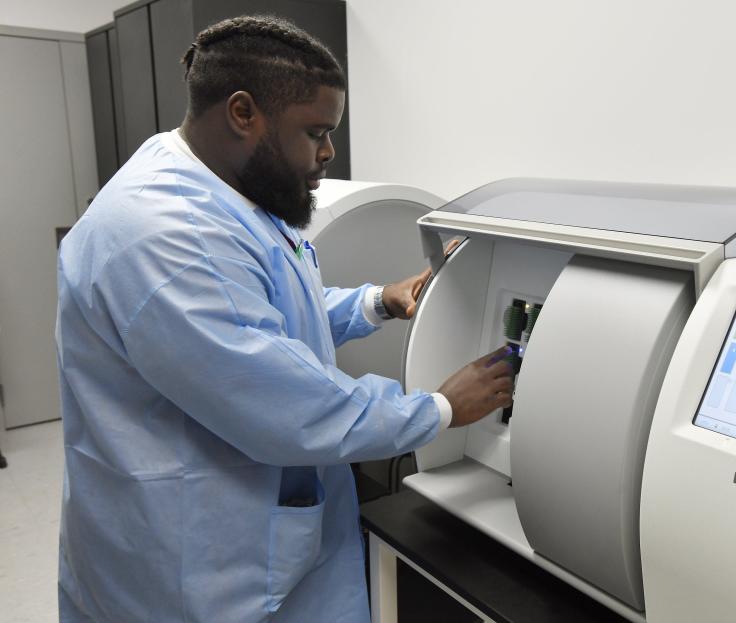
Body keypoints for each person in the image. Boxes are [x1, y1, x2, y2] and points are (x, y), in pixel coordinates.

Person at [56, 15, 513, 623]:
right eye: (316, 132)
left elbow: (256, 314)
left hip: (249, 533)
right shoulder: (163, 232)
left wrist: (377, 300)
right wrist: (442, 407)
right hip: (200, 567)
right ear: (244, 113)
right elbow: (289, 404)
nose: (328, 152)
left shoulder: (223, 188)